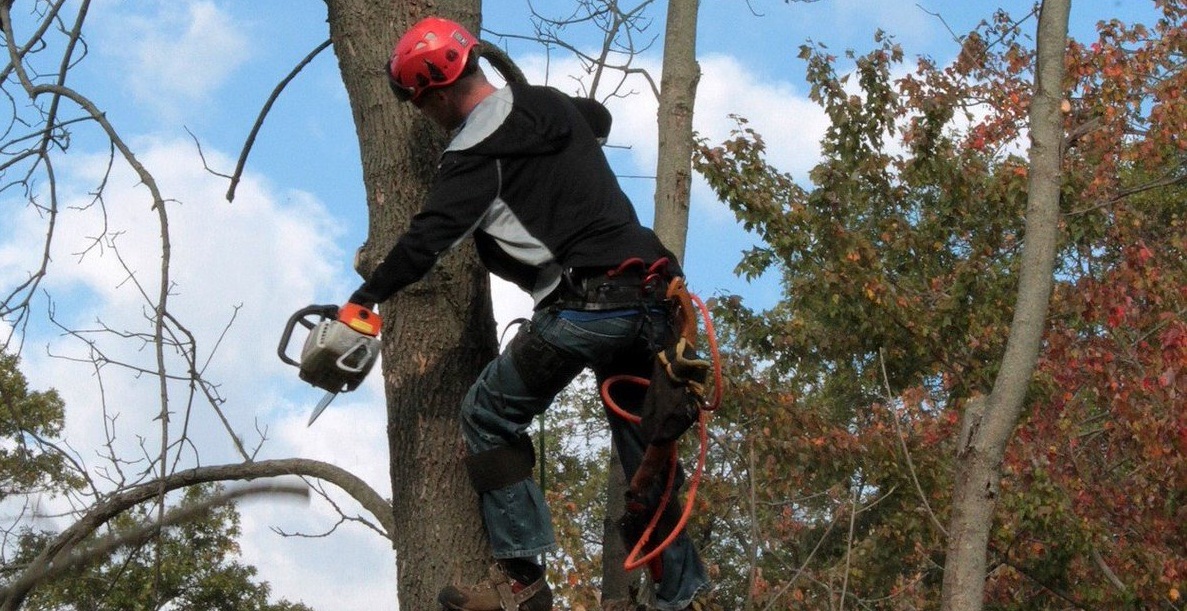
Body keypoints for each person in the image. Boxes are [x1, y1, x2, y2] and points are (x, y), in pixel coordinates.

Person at [347, 16, 714, 611]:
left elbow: (424, 242)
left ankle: (522, 583)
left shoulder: (473, 156)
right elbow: (598, 119)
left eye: (420, 104)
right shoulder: (549, 106)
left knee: (487, 414)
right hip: (654, 300)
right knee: (639, 445)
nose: (425, 116)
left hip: (587, 307)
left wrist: (362, 299)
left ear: (435, 92)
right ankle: (680, 594)